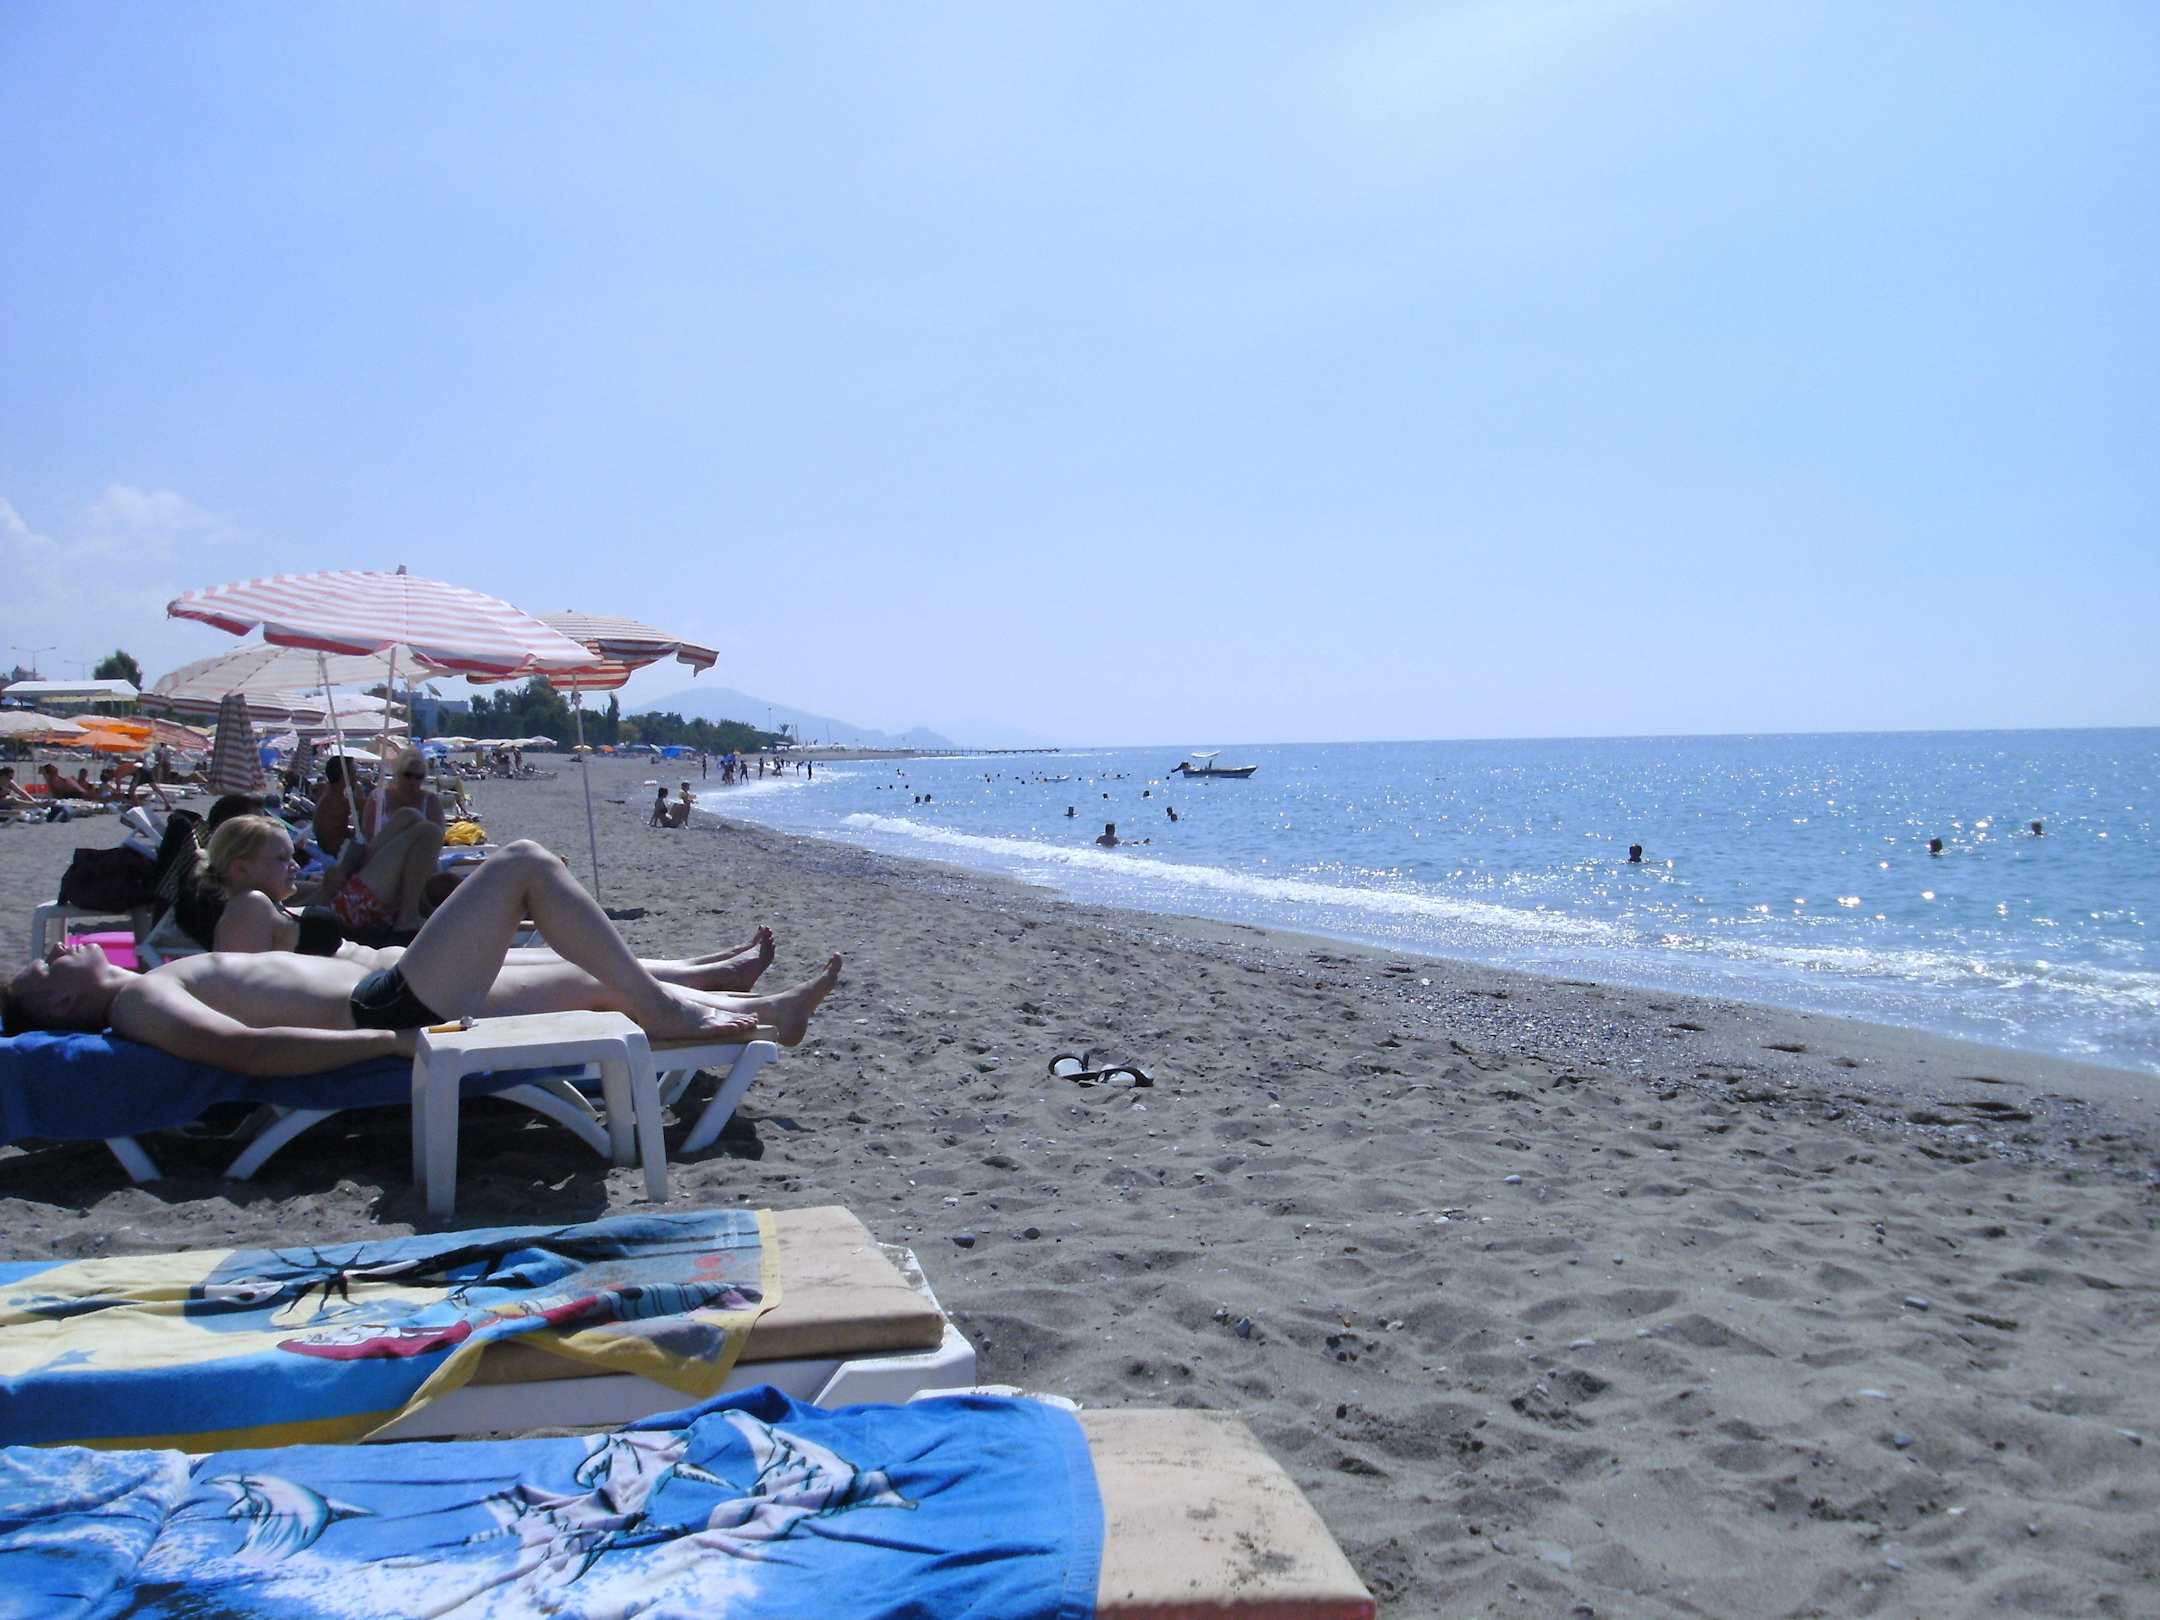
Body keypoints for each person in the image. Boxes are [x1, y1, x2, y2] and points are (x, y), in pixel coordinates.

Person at [2, 840, 843, 1069]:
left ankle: (763, 1015)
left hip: (391, 987)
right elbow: (242, 1051)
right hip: (390, 1005)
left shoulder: (144, 982)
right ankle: (687, 1006)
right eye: (46, 968)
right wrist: (388, 1042)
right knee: (522, 866)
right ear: (62, 1006)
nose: (59, 950)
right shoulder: (139, 1002)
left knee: (586, 981)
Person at [325, 746, 446, 937]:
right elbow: (366, 841)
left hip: (409, 874)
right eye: (408, 775)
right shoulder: (377, 799)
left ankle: (412, 909)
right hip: (375, 880)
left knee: (411, 816)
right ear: (397, 773)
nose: (413, 781)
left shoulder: (429, 801)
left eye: (419, 777)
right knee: (426, 828)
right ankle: (407, 917)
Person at [313, 758, 354, 858]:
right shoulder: (337, 800)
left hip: (327, 846)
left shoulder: (329, 792)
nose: (357, 777)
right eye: (354, 772)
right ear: (344, 776)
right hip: (334, 850)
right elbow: (368, 807)